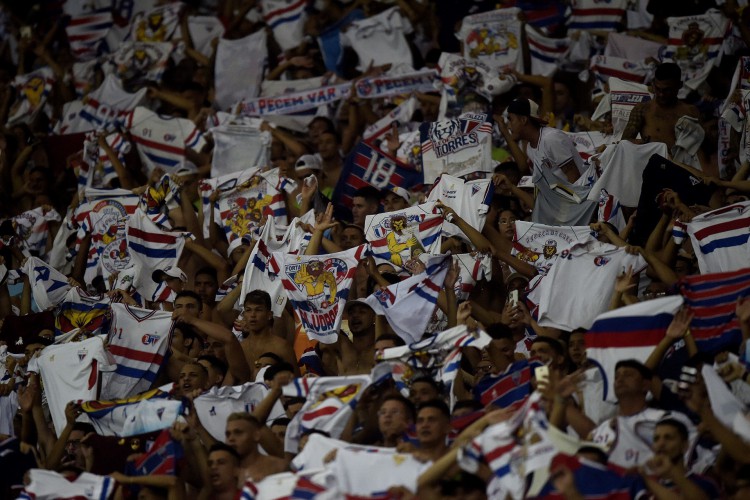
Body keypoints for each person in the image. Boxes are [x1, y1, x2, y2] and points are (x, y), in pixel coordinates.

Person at [504, 98, 585, 183]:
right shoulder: (530, 147)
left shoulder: (551, 139)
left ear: (523, 120)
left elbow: (575, 178)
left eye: (511, 120)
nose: (509, 126)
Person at [622, 63, 700, 150]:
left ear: (679, 85)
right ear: (653, 84)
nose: (661, 94)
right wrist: (640, 144)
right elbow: (625, 141)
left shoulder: (691, 112)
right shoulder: (642, 109)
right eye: (658, 89)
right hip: (647, 160)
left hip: (679, 162)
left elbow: (701, 148)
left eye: (667, 90)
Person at [224, 413, 286, 483]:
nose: (231, 438)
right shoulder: (223, 473)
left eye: (238, 432)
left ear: (256, 435)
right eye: (228, 434)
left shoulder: (279, 467)